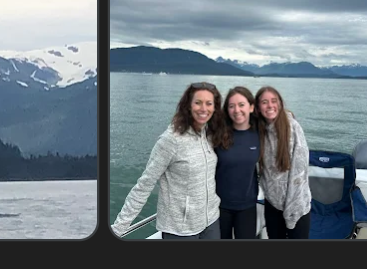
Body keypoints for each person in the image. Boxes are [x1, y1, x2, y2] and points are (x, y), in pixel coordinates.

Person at [112, 82, 224, 239]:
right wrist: (118, 228)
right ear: (188, 106)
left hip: (211, 222)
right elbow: (144, 185)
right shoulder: (171, 140)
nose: (203, 109)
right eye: (198, 102)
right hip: (180, 230)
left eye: (209, 103)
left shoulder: (210, 134)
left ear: (215, 107)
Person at [256, 86, 312, 238]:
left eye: (274, 101)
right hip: (272, 204)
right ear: (258, 107)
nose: (270, 106)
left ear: (280, 103)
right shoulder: (260, 130)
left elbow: (299, 174)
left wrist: (291, 212)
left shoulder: (292, 127)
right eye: (264, 102)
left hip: (297, 207)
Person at [213, 85, 261, 239]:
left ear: (251, 107)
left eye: (241, 105)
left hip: (247, 206)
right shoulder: (218, 135)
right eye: (231, 106)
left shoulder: (260, 134)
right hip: (219, 206)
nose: (236, 110)